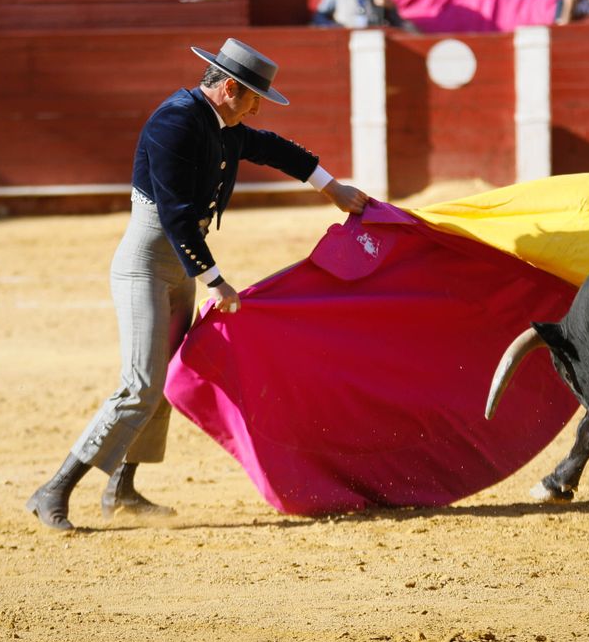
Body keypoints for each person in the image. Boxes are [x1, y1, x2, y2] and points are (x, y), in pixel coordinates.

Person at [24, 39, 369, 532]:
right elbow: (176, 217)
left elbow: (273, 148)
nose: (255, 109)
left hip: (174, 268)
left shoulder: (220, 124)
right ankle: (53, 489)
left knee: (160, 382)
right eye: (253, 98)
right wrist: (214, 280)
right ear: (230, 88)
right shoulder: (175, 122)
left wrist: (330, 187)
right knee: (140, 384)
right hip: (145, 266)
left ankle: (120, 489)